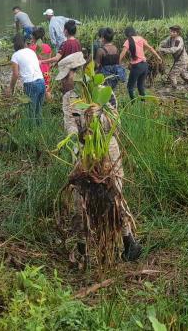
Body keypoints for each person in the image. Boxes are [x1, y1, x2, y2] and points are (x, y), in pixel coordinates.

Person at [57, 52, 143, 261]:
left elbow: (116, 125)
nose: (63, 82)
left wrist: (98, 116)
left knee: (114, 196)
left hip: (107, 148)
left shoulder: (105, 92)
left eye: (65, 76)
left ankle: (128, 242)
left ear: (76, 73)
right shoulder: (68, 97)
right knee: (80, 200)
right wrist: (74, 140)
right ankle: (83, 249)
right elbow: (69, 123)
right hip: (83, 151)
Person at [8, 34, 46, 123]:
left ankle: (32, 131)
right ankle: (39, 131)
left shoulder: (15, 55)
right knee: (38, 111)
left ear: (14, 44)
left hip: (31, 84)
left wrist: (11, 88)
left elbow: (15, 74)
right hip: (41, 81)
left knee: (30, 112)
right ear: (24, 43)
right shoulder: (31, 51)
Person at [120, 26, 161, 100]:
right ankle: (143, 102)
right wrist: (158, 57)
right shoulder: (140, 38)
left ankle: (132, 102)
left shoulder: (128, 41)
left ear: (127, 33)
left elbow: (123, 53)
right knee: (140, 85)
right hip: (145, 66)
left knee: (130, 86)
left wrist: (117, 62)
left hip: (136, 67)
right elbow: (150, 48)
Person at [158, 25, 188, 90]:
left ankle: (174, 88)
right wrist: (159, 46)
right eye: (171, 31)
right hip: (178, 59)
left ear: (178, 33)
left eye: (174, 32)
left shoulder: (178, 40)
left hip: (182, 60)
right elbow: (163, 43)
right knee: (182, 73)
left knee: (172, 74)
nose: (172, 33)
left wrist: (162, 50)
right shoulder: (170, 38)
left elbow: (174, 49)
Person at [28, 27, 53, 94]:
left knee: (36, 92)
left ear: (33, 38)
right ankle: (49, 103)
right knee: (47, 90)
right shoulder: (48, 47)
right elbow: (49, 62)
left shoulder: (31, 49)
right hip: (46, 72)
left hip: (36, 74)